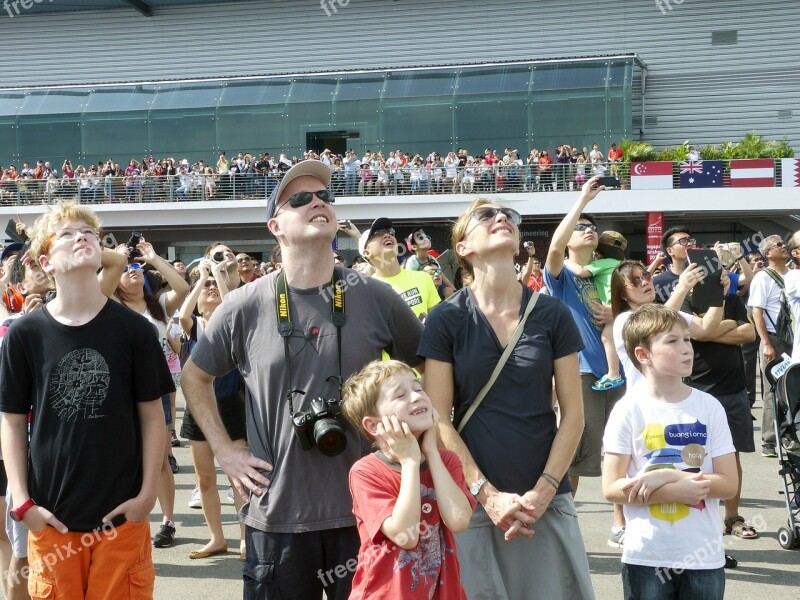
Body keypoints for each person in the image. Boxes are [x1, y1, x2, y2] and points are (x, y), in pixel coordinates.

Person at [180, 160, 424, 600]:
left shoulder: (374, 296)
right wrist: (224, 449)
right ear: (276, 225)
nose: (318, 203)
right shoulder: (243, 305)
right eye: (301, 199)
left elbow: (428, 367)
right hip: (277, 518)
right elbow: (194, 376)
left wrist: (413, 444)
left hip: (368, 511)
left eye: (325, 197)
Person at [419, 198, 595, 599]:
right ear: (462, 247)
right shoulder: (447, 317)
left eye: (508, 216)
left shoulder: (552, 314)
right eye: (486, 216)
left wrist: (546, 490)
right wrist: (488, 494)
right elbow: (437, 418)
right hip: (473, 502)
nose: (501, 218)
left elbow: (573, 416)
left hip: (544, 500)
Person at [0, 202, 172, 599]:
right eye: (67, 233)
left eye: (89, 232)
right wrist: (24, 504)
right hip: (53, 519)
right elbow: (11, 420)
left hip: (121, 519)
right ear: (46, 261)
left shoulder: (134, 331)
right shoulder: (25, 334)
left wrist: (146, 496)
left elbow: (152, 416)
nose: (82, 237)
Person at [602, 304, 738, 600]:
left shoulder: (709, 406)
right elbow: (611, 488)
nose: (687, 348)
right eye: (672, 341)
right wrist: (675, 492)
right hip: (646, 556)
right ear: (643, 354)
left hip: (704, 555)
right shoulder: (628, 410)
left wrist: (665, 475)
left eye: (688, 339)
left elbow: (729, 485)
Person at [340, 360, 474, 599]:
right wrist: (410, 461)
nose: (416, 397)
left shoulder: (446, 461)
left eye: (418, 388)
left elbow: (459, 520)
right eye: (400, 394)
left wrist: (431, 452)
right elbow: (407, 535)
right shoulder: (366, 472)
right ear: (374, 425)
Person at [544, 176, 627, 548]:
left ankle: (621, 523)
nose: (588, 231)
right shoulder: (560, 276)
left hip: (622, 372)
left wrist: (616, 314)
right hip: (581, 371)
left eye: (592, 228)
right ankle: (561, 524)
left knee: (625, 448)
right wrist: (581, 201)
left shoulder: (612, 272)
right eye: (581, 228)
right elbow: (554, 248)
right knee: (576, 450)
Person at [113, 239, 190, 548]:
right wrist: (116, 258)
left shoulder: (156, 305)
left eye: (137, 267)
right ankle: (130, 520)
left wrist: (154, 257)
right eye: (126, 268)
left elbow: (182, 289)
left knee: (159, 459)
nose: (133, 270)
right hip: (121, 391)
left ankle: (168, 520)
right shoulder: (109, 305)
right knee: (125, 458)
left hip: (155, 389)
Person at [178, 260, 247, 560]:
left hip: (231, 406)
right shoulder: (193, 326)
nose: (209, 289)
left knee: (239, 479)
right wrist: (201, 279)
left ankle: (246, 537)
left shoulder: (230, 321)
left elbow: (229, 305)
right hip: (198, 407)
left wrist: (219, 278)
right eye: (205, 287)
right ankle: (217, 538)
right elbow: (182, 313)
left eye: (212, 288)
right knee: (204, 479)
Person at [565, 230, 628, 391]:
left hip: (611, 306)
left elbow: (581, 271)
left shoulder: (604, 263)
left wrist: (564, 261)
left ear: (599, 252)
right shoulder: (622, 265)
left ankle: (613, 374)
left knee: (608, 338)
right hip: (625, 308)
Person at [747, 234, 791, 457]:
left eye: (784, 244)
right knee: (772, 389)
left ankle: (790, 433)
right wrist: (766, 342)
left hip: (795, 339)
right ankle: (769, 440)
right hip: (774, 339)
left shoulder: (795, 275)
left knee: (793, 387)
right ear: (767, 253)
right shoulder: (762, 278)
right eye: (779, 245)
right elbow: (757, 311)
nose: (784, 247)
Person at [356, 219, 440, 320]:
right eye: (377, 233)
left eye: (390, 232)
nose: (387, 235)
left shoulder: (424, 278)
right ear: (366, 252)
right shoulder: (368, 292)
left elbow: (437, 322)